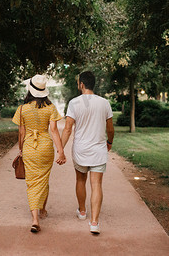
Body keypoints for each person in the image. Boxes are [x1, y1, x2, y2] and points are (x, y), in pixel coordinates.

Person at [61, 71, 114, 234]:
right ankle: (94, 222)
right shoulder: (104, 103)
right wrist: (109, 142)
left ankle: (82, 212)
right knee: (96, 184)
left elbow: (68, 129)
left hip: (80, 150)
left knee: (80, 180)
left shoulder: (74, 103)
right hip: (98, 149)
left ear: (81, 84)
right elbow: (110, 129)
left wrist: (60, 150)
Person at [12, 74, 66, 233]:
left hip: (30, 147)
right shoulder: (50, 108)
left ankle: (35, 219)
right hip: (45, 148)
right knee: (43, 179)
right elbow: (54, 130)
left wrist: (21, 150)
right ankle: (42, 210)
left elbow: (21, 133)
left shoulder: (22, 109)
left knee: (32, 182)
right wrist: (61, 152)